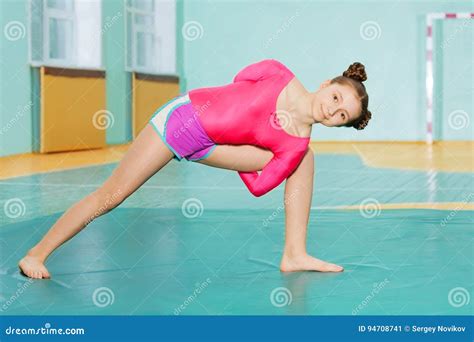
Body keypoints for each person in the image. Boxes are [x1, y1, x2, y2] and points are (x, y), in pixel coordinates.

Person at [19, 59, 372, 279]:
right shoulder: (279, 73)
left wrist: (233, 150)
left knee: (302, 159)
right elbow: (243, 78)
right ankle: (35, 254)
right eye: (337, 98)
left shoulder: (296, 143)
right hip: (179, 120)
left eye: (342, 117)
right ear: (327, 84)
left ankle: (295, 253)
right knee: (111, 195)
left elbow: (259, 187)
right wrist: (246, 130)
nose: (332, 110)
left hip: (209, 146)